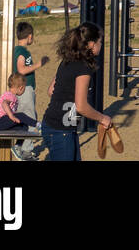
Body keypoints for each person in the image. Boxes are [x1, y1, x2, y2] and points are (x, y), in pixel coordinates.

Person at [42, 22, 112, 161]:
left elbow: (51, 91)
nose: (101, 45)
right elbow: (81, 106)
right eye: (100, 42)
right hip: (61, 130)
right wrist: (103, 118)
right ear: (91, 44)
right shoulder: (84, 68)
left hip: (52, 125)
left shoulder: (67, 60)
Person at [12, 21, 49, 159]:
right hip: (25, 89)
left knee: (25, 119)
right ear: (29, 36)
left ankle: (20, 146)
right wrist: (39, 64)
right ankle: (25, 151)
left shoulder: (17, 50)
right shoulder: (22, 52)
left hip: (24, 89)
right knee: (32, 120)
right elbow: (21, 69)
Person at [0, 72, 39, 153]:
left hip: (3, 123)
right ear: (20, 88)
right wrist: (11, 116)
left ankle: (18, 146)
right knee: (21, 115)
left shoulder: (12, 96)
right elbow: (4, 104)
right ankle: (38, 125)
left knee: (24, 127)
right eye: (24, 89)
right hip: (0, 121)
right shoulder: (10, 95)